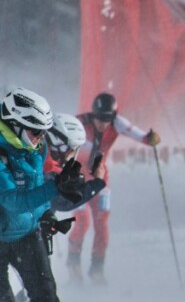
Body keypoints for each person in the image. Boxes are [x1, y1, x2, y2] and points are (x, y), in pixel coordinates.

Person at [0, 87, 86, 302]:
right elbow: (12, 200)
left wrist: (48, 215)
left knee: (47, 298)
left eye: (42, 133)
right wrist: (54, 188)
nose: (40, 140)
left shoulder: (36, 149)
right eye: (35, 132)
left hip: (27, 234)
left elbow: (36, 191)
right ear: (14, 123)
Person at [67, 92, 160, 284]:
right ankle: (73, 262)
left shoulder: (117, 123)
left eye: (107, 119)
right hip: (78, 181)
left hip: (101, 181)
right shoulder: (80, 123)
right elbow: (58, 138)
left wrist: (150, 139)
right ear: (93, 114)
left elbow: (140, 135)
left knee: (102, 224)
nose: (103, 123)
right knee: (82, 222)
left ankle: (97, 268)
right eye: (99, 118)